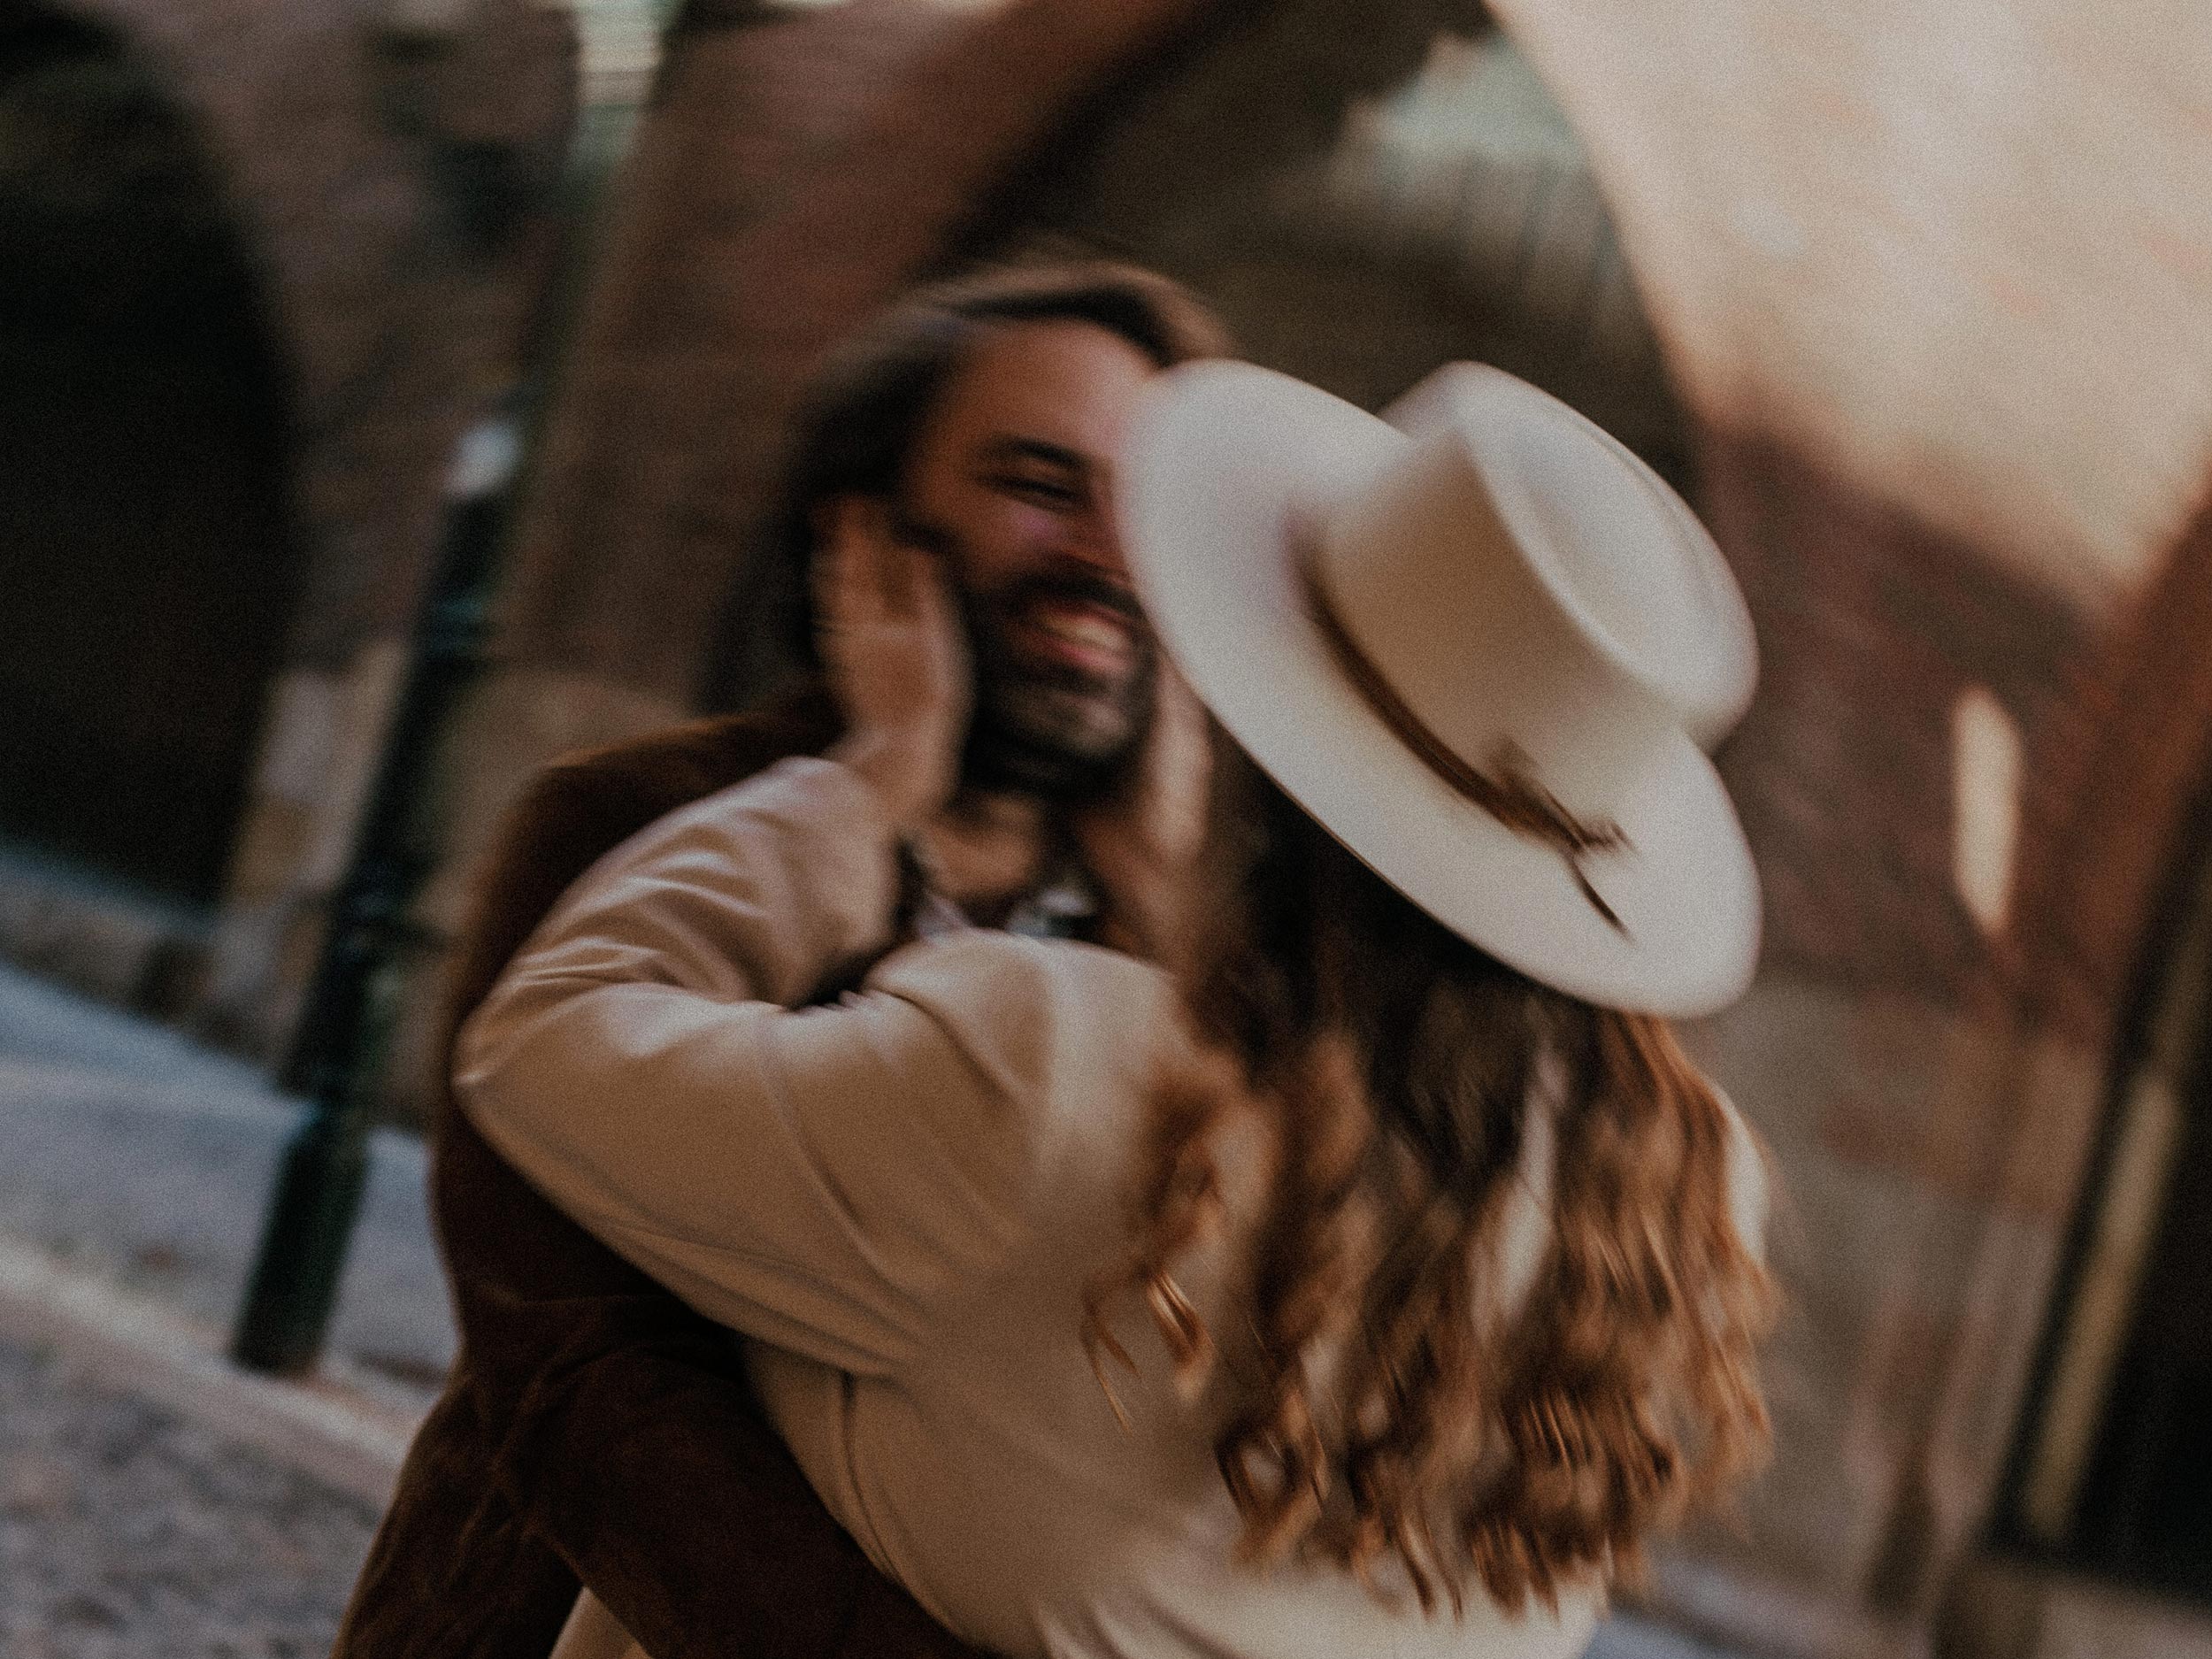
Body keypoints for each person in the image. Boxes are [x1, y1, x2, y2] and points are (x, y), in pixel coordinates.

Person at [452, 356, 1778, 1658]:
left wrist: (865, 784)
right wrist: (1169, 906)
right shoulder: (1683, 1207)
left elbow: (549, 1041)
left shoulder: (1049, 1063)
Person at [331, 260, 1233, 1659]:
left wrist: (1171, 918)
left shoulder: (1203, 955)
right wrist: (874, 789)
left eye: (1147, 510)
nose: (1106, 553)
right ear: (865, 533)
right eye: (1038, 484)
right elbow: (570, 1364)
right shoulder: (632, 825)